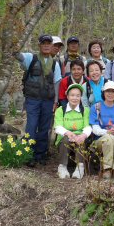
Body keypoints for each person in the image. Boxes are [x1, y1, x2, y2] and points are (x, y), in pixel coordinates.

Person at [15, 34, 61, 166]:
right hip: (32, 100)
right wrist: (15, 43)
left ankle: (40, 155)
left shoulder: (55, 64)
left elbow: (56, 83)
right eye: (44, 43)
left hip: (48, 100)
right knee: (31, 126)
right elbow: (18, 56)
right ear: (39, 45)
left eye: (49, 43)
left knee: (44, 128)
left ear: (52, 46)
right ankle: (28, 154)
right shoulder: (31, 58)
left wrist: (55, 102)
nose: (46, 45)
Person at [89, 81, 114, 180]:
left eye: (113, 92)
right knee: (108, 137)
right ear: (103, 93)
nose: (110, 94)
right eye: (108, 91)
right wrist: (108, 132)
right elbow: (95, 128)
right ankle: (107, 169)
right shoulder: (96, 107)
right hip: (100, 140)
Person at [54, 83, 91, 179]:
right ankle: (62, 166)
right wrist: (68, 133)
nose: (75, 98)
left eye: (78, 95)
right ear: (67, 96)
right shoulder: (60, 110)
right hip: (65, 138)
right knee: (66, 139)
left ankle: (80, 167)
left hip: (79, 137)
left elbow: (88, 127)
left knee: (80, 140)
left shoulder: (85, 110)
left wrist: (82, 136)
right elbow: (57, 127)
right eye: (72, 95)